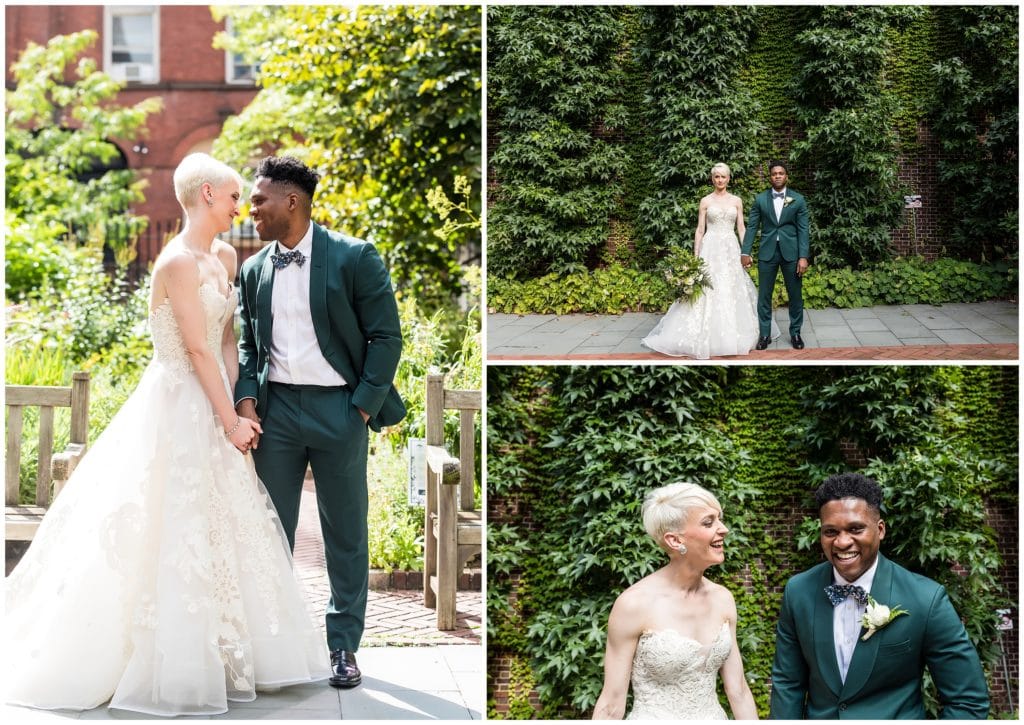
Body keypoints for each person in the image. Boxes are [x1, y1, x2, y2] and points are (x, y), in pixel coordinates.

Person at [4, 153, 329, 716]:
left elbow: (227, 342)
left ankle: (227, 656)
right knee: (169, 525)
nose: (240, 207)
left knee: (222, 527)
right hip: (176, 403)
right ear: (206, 195)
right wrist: (226, 421)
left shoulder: (225, 256)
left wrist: (239, 409)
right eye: (232, 196)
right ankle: (162, 659)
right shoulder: (176, 263)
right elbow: (197, 348)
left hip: (217, 403)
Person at [234, 155, 405, 690]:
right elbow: (247, 346)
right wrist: (246, 402)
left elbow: (386, 337)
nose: (251, 209)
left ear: (292, 201)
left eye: (259, 200)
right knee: (268, 532)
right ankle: (275, 648)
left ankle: (342, 648)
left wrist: (360, 405)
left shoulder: (355, 257)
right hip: (277, 412)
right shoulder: (254, 268)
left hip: (340, 409)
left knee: (345, 535)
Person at [770, 473, 989, 719]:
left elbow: (968, 702)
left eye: (855, 528)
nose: (842, 542)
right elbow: (788, 684)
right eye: (830, 531)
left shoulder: (926, 599)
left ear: (880, 529)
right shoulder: (798, 591)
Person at [593, 483, 758, 720]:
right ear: (674, 540)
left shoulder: (723, 599)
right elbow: (611, 703)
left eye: (719, 519)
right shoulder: (633, 604)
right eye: (708, 522)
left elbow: (738, 690)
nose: (724, 530)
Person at [643, 163, 777, 359]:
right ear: (712, 179)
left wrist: (746, 251)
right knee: (707, 288)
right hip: (711, 247)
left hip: (731, 248)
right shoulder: (705, 201)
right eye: (717, 177)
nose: (720, 180)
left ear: (729, 179)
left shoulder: (737, 200)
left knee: (732, 286)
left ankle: (734, 333)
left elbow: (741, 228)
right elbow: (700, 230)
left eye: (723, 177)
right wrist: (696, 257)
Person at [740, 160, 810, 350]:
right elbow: (753, 226)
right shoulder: (760, 200)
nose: (777, 176)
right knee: (764, 295)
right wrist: (745, 251)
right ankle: (764, 334)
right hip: (767, 253)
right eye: (774, 173)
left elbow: (803, 230)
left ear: (786, 176)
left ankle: (795, 333)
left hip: (792, 254)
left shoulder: (798, 200)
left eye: (781, 173)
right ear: (770, 177)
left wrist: (803, 256)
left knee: (795, 295)